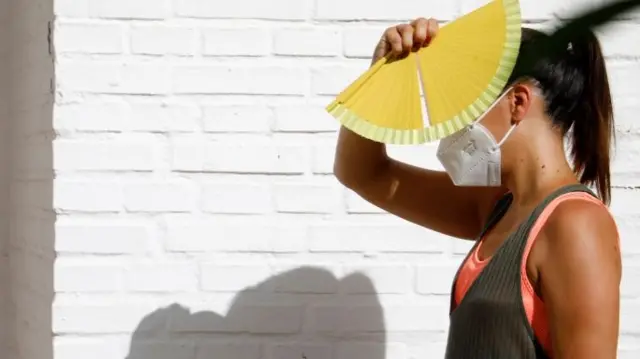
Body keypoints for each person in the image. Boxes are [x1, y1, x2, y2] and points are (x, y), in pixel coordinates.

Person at [333, 17, 621, 359]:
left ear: (517, 103)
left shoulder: (574, 224)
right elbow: (363, 173)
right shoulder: (499, 209)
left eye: (467, 105)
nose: (455, 123)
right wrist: (382, 73)